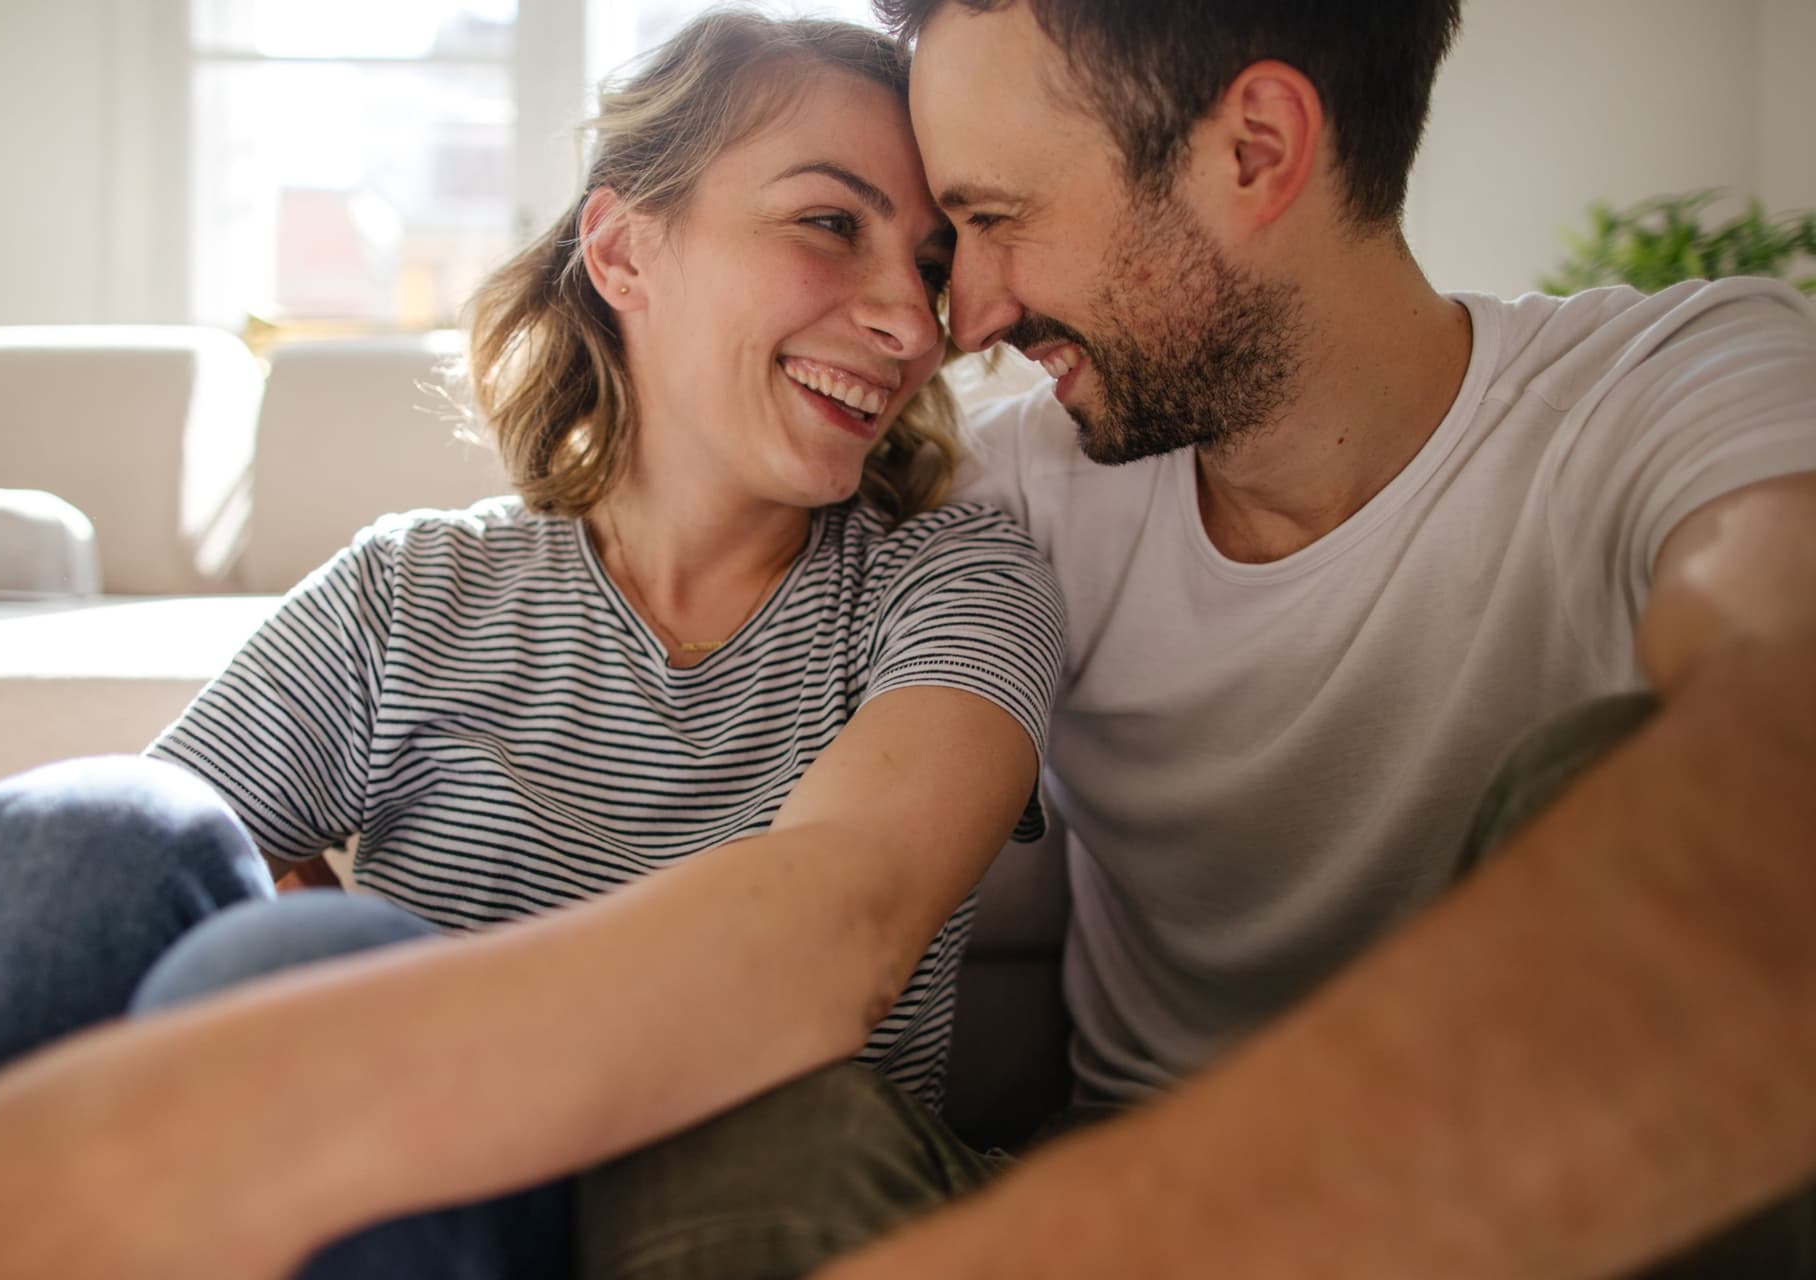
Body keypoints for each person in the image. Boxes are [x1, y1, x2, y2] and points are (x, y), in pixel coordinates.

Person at [0, 13, 1064, 1278]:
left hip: (680, 1203)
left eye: (937, 261)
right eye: (830, 224)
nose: (913, 319)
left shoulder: (953, 584)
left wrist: (300, 993)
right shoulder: (416, 583)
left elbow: (853, 913)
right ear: (623, 252)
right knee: (68, 828)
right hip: (327, 1205)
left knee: (290, 967)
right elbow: (76, 890)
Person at [557, 2, 1816, 1278]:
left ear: (1255, 150)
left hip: (1556, 1207)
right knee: (744, 1142)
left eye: (993, 221)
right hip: (1102, 1159)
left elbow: (1784, 740)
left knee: (1615, 770)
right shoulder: (1013, 500)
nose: (962, 316)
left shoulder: (1679, 386)